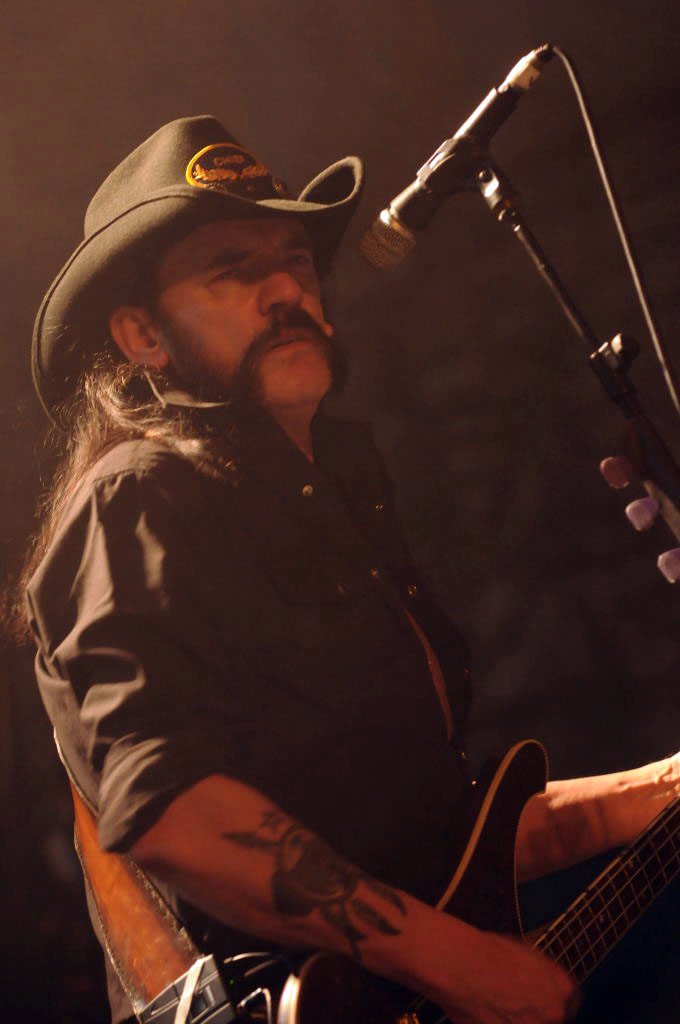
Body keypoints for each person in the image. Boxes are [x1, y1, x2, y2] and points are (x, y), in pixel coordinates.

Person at [21, 115, 679, 1024]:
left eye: (295, 259)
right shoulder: (139, 497)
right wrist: (459, 961)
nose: (286, 287)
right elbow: (174, 812)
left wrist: (664, 789)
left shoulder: (337, 497)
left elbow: (434, 846)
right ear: (141, 334)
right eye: (232, 270)